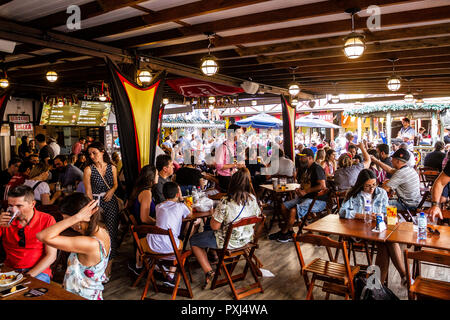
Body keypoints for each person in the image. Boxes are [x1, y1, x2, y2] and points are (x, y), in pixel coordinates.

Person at [190, 168, 261, 289]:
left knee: (194, 240)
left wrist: (214, 214)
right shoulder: (253, 199)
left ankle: (209, 271)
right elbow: (258, 216)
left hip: (228, 242)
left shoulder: (226, 202)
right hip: (246, 240)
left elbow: (214, 226)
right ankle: (214, 256)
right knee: (208, 232)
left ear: (232, 183)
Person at [36, 193, 110, 300]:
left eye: (67, 219)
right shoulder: (102, 231)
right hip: (90, 294)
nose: (69, 224)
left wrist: (77, 217)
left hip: (80, 296)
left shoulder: (89, 243)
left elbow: (42, 236)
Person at [338, 169, 407, 284]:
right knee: (385, 243)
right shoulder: (353, 194)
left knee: (387, 241)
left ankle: (380, 286)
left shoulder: (381, 193)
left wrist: (386, 217)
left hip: (377, 230)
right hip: (358, 231)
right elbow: (342, 211)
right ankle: (400, 277)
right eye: (368, 186)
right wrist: (362, 215)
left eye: (374, 185)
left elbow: (386, 211)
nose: (372, 189)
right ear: (361, 184)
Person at [139, 182, 193, 287]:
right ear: (177, 194)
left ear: (163, 195)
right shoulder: (180, 206)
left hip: (152, 246)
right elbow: (190, 213)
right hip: (170, 248)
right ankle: (170, 275)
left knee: (171, 241)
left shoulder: (158, 206)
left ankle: (157, 266)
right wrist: (182, 199)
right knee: (180, 245)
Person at [0, 185, 57, 283]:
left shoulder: (47, 220)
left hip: (38, 271)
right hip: (10, 269)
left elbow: (51, 256)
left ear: (32, 204)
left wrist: (27, 276)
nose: (14, 210)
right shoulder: (4, 220)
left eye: (19, 206)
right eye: (10, 206)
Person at [269, 148, 328, 242]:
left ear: (309, 158)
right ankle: (290, 231)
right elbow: (305, 184)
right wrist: (300, 190)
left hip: (318, 200)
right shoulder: (305, 169)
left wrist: (306, 191)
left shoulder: (317, 168)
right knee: (283, 206)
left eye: (302, 157)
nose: (300, 159)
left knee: (293, 210)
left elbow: (322, 185)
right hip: (306, 198)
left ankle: (284, 232)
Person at [83, 141, 119, 281]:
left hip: (111, 203)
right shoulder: (88, 169)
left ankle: (108, 268)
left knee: (111, 233)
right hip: (96, 204)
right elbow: (88, 192)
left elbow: (115, 184)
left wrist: (112, 190)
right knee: (96, 234)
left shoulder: (112, 168)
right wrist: (93, 208)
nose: (92, 156)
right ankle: (98, 267)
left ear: (102, 152)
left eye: (94, 153)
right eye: (90, 154)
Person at [215, 125, 245, 192]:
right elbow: (219, 166)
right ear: (232, 134)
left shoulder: (234, 146)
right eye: (238, 133)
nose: (240, 135)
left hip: (232, 176)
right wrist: (236, 165)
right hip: (225, 178)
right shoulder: (223, 147)